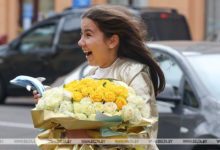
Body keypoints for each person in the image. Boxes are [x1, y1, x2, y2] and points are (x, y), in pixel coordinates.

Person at [33, 5, 165, 150]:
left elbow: (143, 137)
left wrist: (89, 136)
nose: (80, 42)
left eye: (88, 35)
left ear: (112, 41)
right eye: (81, 34)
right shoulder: (91, 75)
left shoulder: (134, 74)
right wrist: (49, 107)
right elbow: (72, 132)